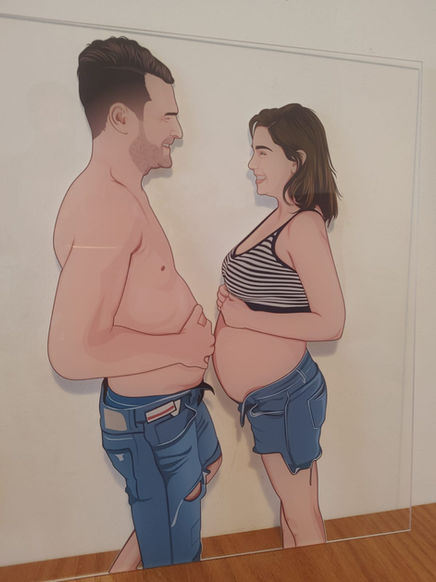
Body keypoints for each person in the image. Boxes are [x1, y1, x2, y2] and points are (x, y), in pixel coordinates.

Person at [48, 36, 222, 571]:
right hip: (153, 419)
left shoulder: (123, 192)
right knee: (177, 558)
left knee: (203, 471)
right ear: (122, 118)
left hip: (175, 408)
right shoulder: (105, 207)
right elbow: (72, 351)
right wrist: (183, 347)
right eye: (168, 115)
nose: (179, 131)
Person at [213, 103, 345, 548]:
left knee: (300, 514)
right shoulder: (280, 216)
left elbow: (331, 321)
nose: (251, 163)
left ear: (297, 160)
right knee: (295, 512)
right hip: (273, 399)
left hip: (284, 398)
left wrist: (245, 318)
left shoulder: (303, 226)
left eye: (262, 151)